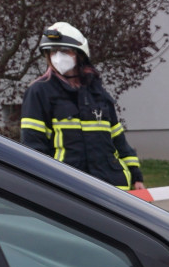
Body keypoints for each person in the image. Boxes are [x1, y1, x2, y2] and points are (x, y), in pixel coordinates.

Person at [19, 22, 144, 191]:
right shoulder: (39, 92)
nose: (58, 57)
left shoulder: (96, 92)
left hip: (112, 187)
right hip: (68, 186)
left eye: (64, 51)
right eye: (52, 51)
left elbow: (118, 139)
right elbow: (33, 145)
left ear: (80, 54)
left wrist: (136, 176)